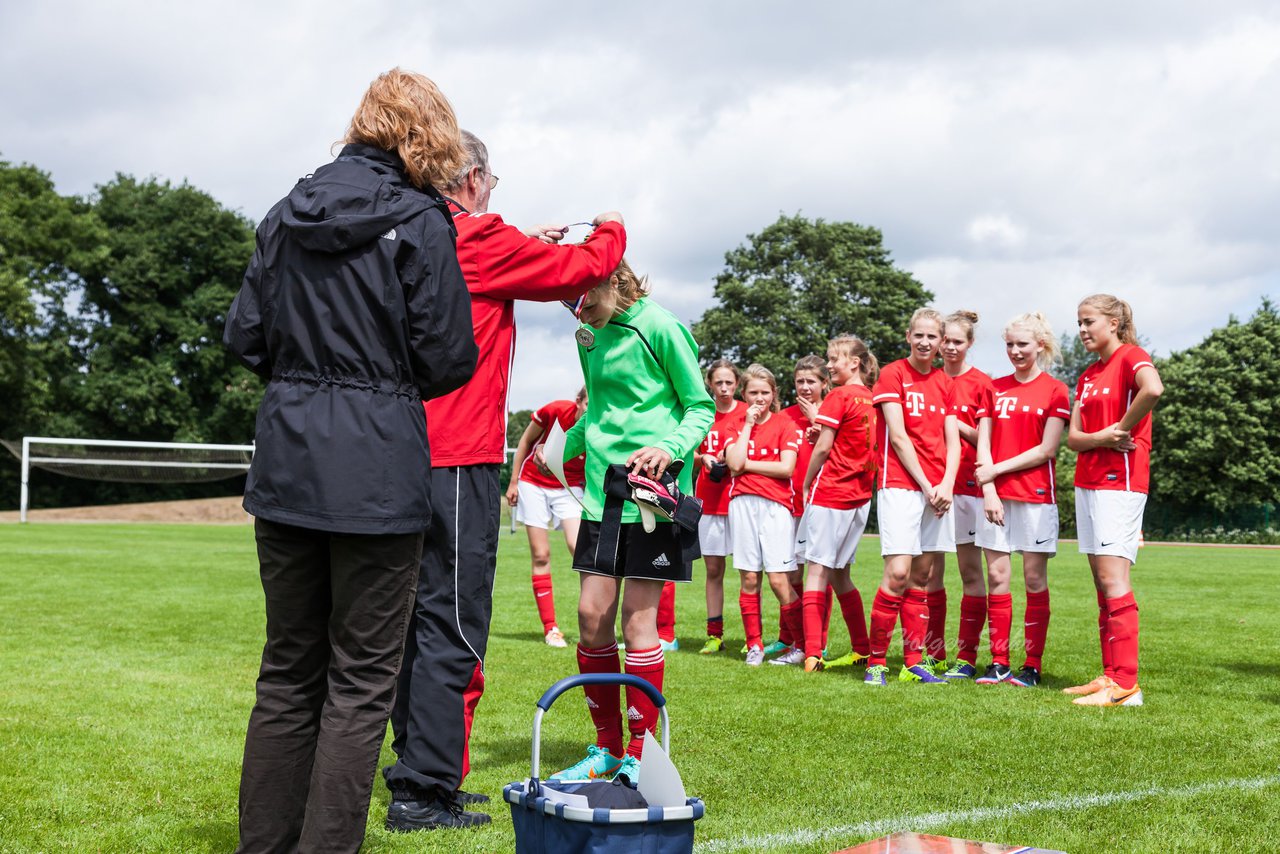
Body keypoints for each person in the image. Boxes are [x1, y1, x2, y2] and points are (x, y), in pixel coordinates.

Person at [224, 68, 478, 853]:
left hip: (291, 457)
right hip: (375, 465)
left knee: (288, 672)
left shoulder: (283, 213)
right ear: (426, 136)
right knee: (363, 680)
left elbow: (245, 335)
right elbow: (447, 356)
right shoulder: (424, 221)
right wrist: (369, 380)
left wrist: (310, 380)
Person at [384, 130, 627, 830]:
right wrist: (613, 224)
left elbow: (489, 257)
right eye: (492, 182)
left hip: (400, 452)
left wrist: (521, 236)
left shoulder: (418, 234)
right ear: (473, 178)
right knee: (455, 621)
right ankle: (425, 789)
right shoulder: (479, 237)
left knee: (408, 621)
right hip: (457, 453)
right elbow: (583, 266)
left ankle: (420, 768)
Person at [549, 260, 714, 784]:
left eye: (584, 297)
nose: (579, 310)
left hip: (652, 497)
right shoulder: (589, 332)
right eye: (570, 301)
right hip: (602, 495)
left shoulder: (661, 326)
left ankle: (640, 757)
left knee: (638, 624)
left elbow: (700, 408)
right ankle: (606, 749)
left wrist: (667, 447)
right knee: (590, 616)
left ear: (611, 279)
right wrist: (562, 447)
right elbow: (599, 408)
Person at [1064, 294, 1162, 707]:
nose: (1083, 329)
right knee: (1100, 584)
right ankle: (1110, 677)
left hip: (1118, 485)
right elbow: (1072, 439)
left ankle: (1126, 686)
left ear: (1114, 323)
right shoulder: (1088, 375)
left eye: (1089, 322)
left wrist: (1121, 428)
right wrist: (1102, 437)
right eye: (1079, 322)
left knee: (1113, 581)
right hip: (1087, 483)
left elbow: (1153, 388)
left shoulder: (1130, 356)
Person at [971, 313, 1070, 687]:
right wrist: (990, 489)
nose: (1015, 351)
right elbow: (983, 444)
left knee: (1033, 579)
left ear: (1040, 346)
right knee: (997, 577)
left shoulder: (1056, 391)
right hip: (995, 498)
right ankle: (998, 663)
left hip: (1036, 496)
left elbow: (1047, 450)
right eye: (1009, 344)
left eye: (1022, 344)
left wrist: (994, 471)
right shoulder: (992, 389)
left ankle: (1032, 665)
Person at [865, 308, 960, 686]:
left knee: (922, 576)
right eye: (918, 335)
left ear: (940, 342)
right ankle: (875, 663)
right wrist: (927, 485)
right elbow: (900, 438)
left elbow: (953, 440)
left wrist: (948, 483)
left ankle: (912, 661)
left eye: (932, 337)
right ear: (908, 336)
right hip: (902, 484)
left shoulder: (946, 382)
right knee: (899, 572)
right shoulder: (893, 374)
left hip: (938, 490)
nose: (925, 342)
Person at [799, 337, 879, 674]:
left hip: (832, 492)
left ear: (855, 362)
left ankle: (812, 654)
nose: (830, 365)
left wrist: (806, 482)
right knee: (841, 574)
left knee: (816, 571)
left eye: (835, 359)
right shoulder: (871, 397)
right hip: (861, 496)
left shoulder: (838, 395)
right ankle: (862, 649)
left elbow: (823, 448)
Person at [724, 364, 805, 666]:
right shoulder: (736, 424)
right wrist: (747, 425)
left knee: (778, 581)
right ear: (743, 394)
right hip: (742, 505)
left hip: (775, 507)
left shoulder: (786, 425)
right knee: (748, 578)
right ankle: (754, 645)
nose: (759, 398)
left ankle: (800, 645)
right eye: (753, 392)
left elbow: (786, 468)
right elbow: (733, 463)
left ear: (774, 393)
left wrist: (748, 464)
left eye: (765, 392)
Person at [931, 311, 995, 677]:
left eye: (958, 341)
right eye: (946, 340)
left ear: (969, 344)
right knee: (928, 576)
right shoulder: (929, 381)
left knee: (971, 572)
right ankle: (933, 653)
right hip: (934, 489)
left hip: (968, 489)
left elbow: (990, 444)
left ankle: (967, 659)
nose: (950, 347)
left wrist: (958, 427)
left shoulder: (982, 384)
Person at [505, 388, 589, 647]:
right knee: (541, 554)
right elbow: (525, 442)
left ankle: (594, 625)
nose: (591, 410)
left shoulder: (600, 425)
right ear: (578, 402)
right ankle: (551, 628)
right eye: (588, 404)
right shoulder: (555, 410)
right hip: (534, 483)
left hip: (570, 486)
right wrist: (514, 481)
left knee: (581, 551)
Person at [782, 356, 835, 661]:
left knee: (820, 572)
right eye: (800, 381)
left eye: (811, 381)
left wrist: (817, 419)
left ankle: (819, 642)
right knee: (790, 574)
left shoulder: (832, 412)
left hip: (822, 502)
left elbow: (838, 454)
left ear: (823, 384)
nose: (804, 387)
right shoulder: (785, 416)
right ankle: (791, 638)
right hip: (788, 504)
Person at [694, 360, 746, 654]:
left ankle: (753, 637)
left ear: (737, 384)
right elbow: (692, 450)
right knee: (714, 569)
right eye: (718, 383)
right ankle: (714, 635)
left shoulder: (746, 413)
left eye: (729, 383)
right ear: (710, 385)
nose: (724, 388)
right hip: (710, 500)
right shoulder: (702, 413)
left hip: (741, 497)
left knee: (747, 571)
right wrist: (706, 459)